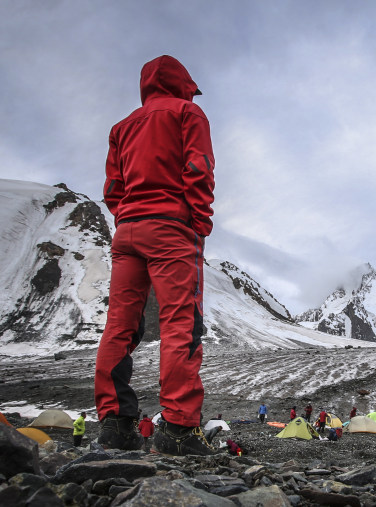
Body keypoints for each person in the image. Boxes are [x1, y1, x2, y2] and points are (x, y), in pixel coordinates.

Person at [95, 55, 216, 456]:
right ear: (183, 84)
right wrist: (197, 222)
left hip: (128, 231)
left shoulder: (122, 127)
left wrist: (127, 217)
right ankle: (179, 429)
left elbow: (113, 187)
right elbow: (198, 167)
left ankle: (115, 424)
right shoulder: (187, 113)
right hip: (171, 228)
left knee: (120, 325)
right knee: (181, 322)